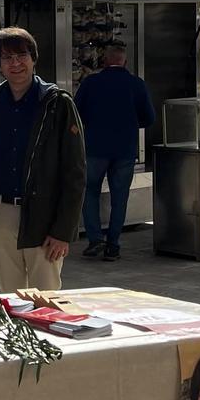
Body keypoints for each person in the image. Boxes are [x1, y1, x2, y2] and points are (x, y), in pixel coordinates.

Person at [0, 28, 85, 293]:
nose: (15, 63)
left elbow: (75, 171)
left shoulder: (57, 103)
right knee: (10, 297)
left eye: (21, 55)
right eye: (7, 58)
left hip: (44, 215)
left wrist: (63, 231)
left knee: (45, 298)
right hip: (0, 213)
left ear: (33, 58)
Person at [74, 41, 155, 261]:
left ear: (105, 61)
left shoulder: (91, 83)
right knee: (120, 197)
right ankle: (113, 245)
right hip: (125, 150)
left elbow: (75, 113)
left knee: (89, 191)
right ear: (124, 61)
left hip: (94, 148)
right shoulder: (136, 84)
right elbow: (149, 118)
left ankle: (94, 239)